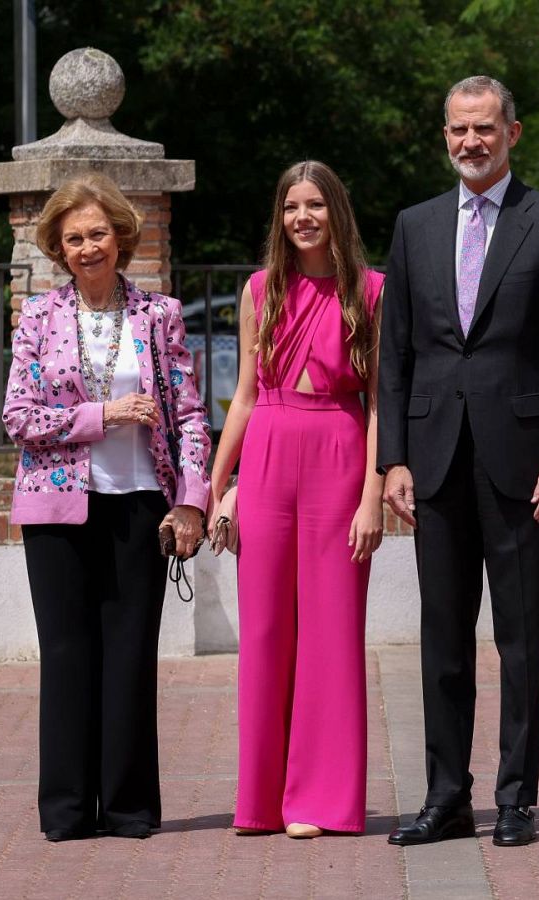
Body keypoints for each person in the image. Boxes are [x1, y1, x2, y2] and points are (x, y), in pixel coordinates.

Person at [380, 76, 539, 848]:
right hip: (434, 461)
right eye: (459, 129)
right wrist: (391, 459)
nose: (472, 141)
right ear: (445, 135)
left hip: (523, 462)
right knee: (442, 639)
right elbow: (395, 354)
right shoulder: (414, 226)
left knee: (522, 638)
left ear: (514, 132)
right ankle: (446, 796)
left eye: (485, 129)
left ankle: (516, 797)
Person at [3, 173, 211, 842]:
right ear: (58, 249)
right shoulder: (38, 316)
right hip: (55, 509)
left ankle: (128, 808)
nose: (88, 247)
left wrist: (192, 502)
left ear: (120, 237)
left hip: (139, 507)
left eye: (98, 234)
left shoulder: (160, 315)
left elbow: (190, 416)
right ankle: (65, 810)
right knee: (67, 656)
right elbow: (19, 418)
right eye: (74, 239)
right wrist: (102, 414)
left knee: (129, 657)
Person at [205, 160, 385, 838]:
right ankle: (261, 801)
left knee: (333, 632)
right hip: (271, 454)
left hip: (340, 452)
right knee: (266, 632)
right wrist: (216, 488)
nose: (301, 217)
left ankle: (321, 802)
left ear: (335, 210)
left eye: (313, 205)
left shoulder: (371, 291)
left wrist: (372, 497)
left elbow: (380, 404)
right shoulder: (260, 289)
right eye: (289, 207)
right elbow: (246, 397)